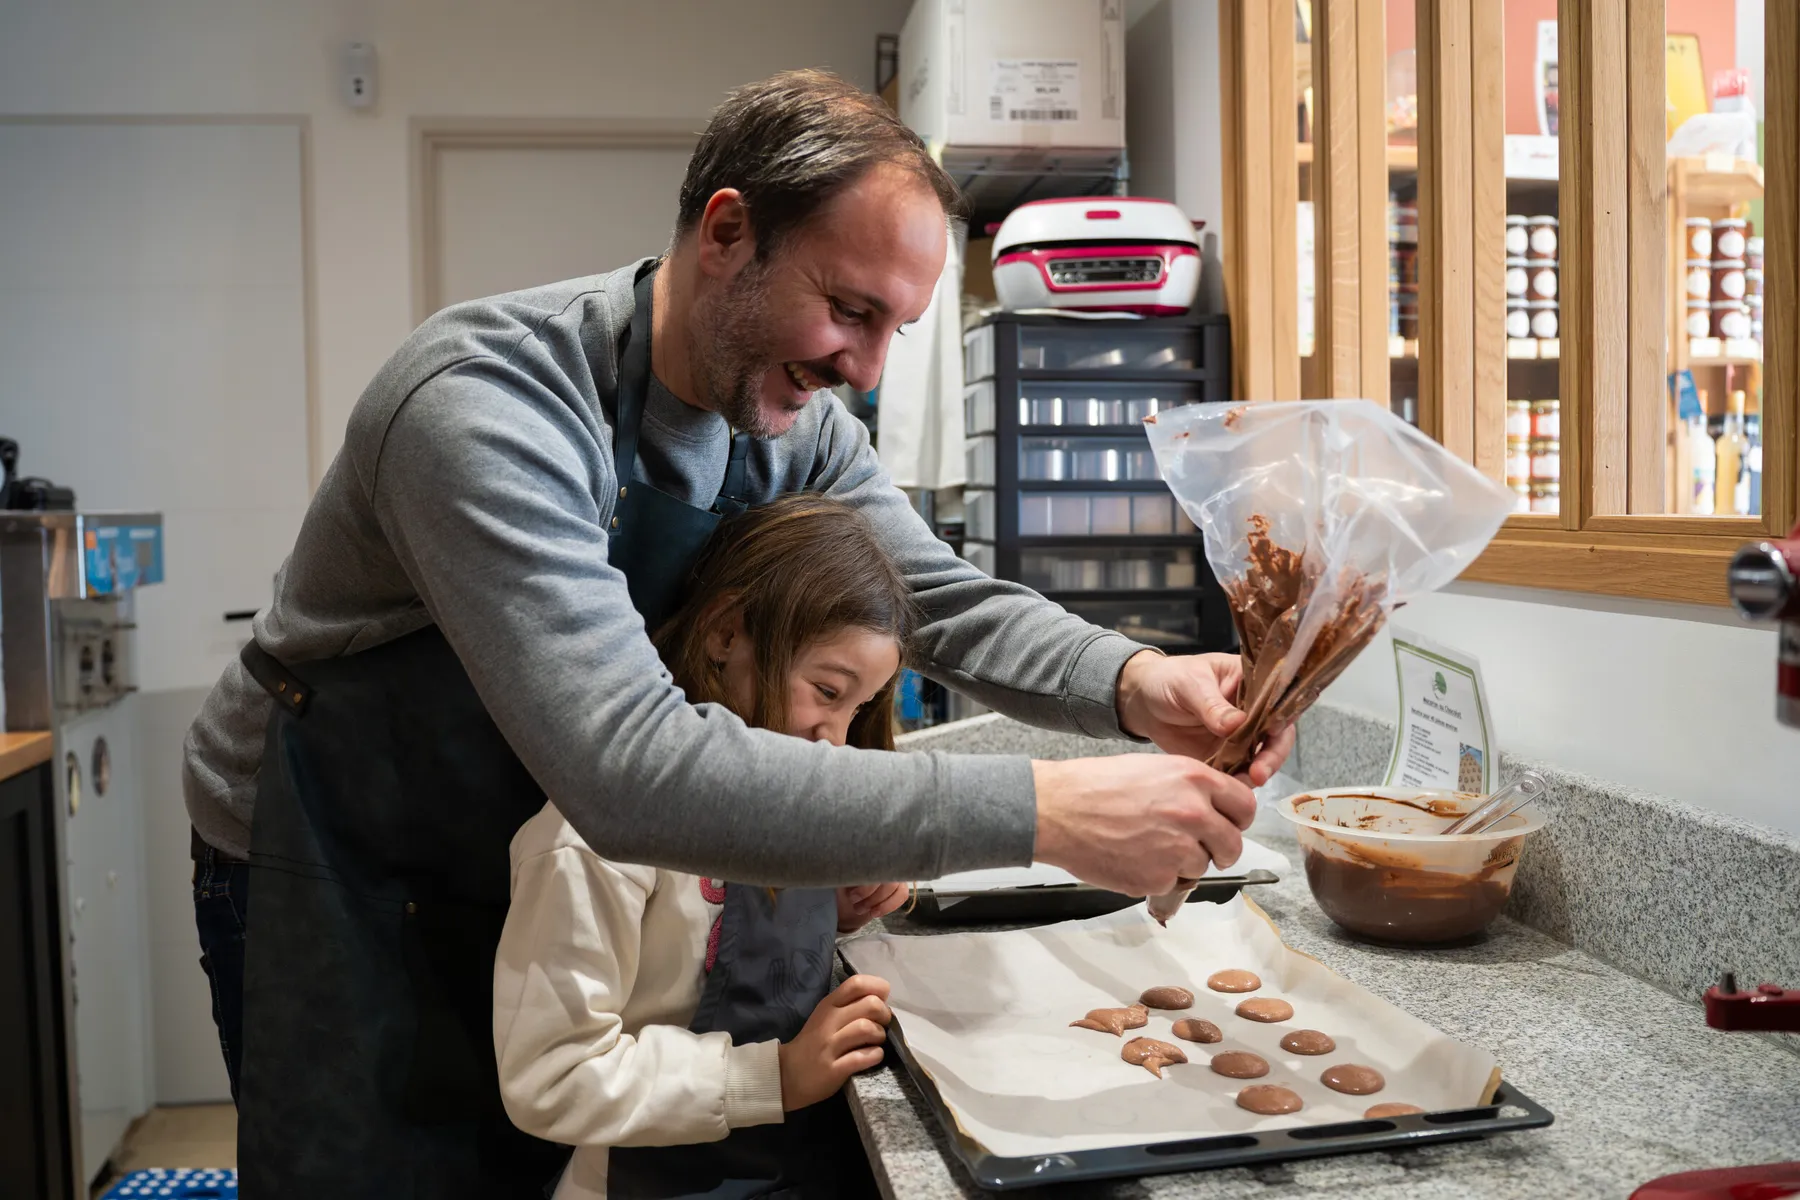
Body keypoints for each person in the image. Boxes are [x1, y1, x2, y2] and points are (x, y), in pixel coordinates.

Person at [183, 68, 1294, 1197]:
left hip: (514, 843)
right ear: (727, 231)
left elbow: (941, 601)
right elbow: (629, 768)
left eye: (898, 329)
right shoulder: (486, 404)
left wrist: (1138, 681)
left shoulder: (786, 426)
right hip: (336, 855)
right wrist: (1042, 812)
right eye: (851, 311)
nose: (865, 371)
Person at [494, 494, 913, 1199]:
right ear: (726, 635)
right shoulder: (595, 836)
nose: (836, 736)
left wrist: (837, 911)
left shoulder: (788, 791)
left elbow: (725, 947)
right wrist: (774, 1076)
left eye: (858, 707)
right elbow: (552, 1078)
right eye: (827, 690)